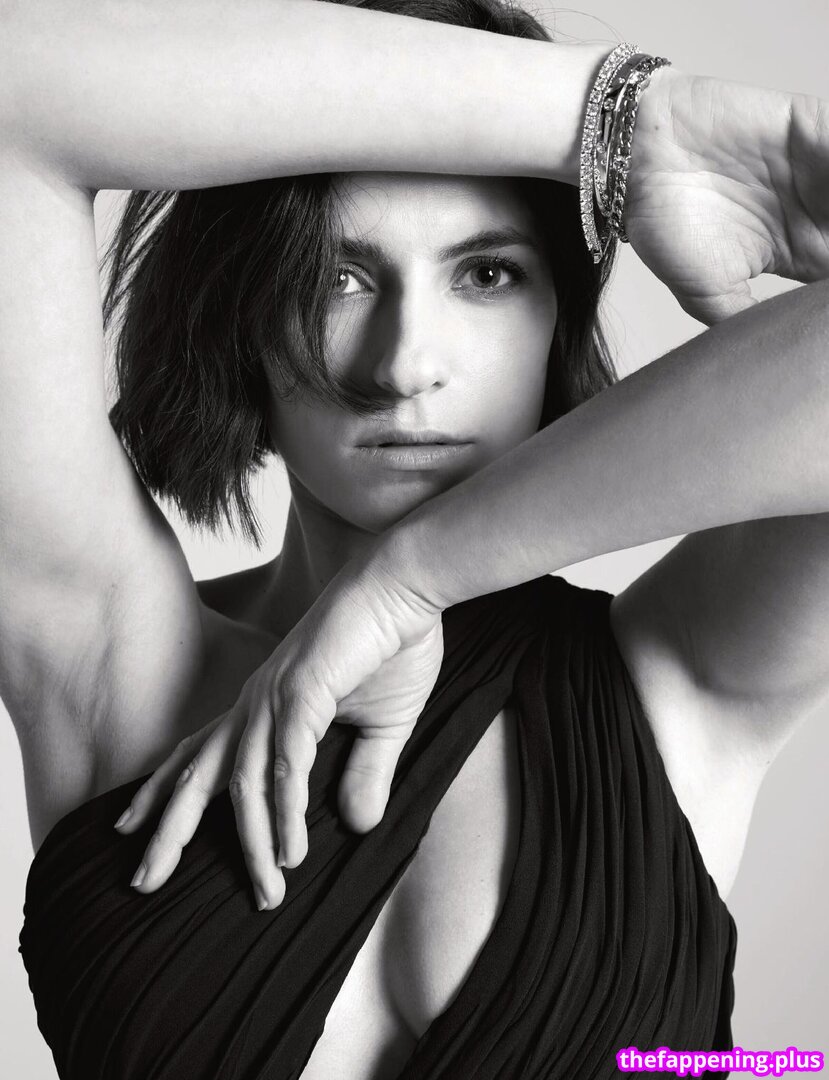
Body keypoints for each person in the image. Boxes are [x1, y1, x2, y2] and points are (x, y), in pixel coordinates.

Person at [3, 0, 828, 1076]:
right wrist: (625, 118)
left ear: (558, 317)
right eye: (335, 278)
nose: (404, 367)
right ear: (244, 318)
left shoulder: (683, 678)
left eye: (485, 274)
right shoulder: (108, 661)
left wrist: (410, 581)